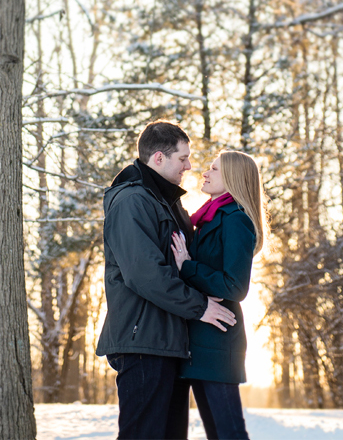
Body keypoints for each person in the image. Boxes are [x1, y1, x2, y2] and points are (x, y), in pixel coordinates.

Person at [96, 121, 237, 439]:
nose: (189, 166)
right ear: (158, 158)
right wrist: (200, 307)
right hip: (144, 341)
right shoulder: (132, 201)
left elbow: (185, 263)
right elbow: (144, 274)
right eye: (182, 158)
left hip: (171, 342)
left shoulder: (169, 203)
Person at [170, 150, 268, 440]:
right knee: (216, 433)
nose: (205, 172)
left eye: (214, 169)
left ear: (233, 178)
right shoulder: (206, 218)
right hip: (195, 341)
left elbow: (235, 287)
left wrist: (187, 266)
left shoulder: (236, 219)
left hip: (219, 341)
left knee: (229, 433)